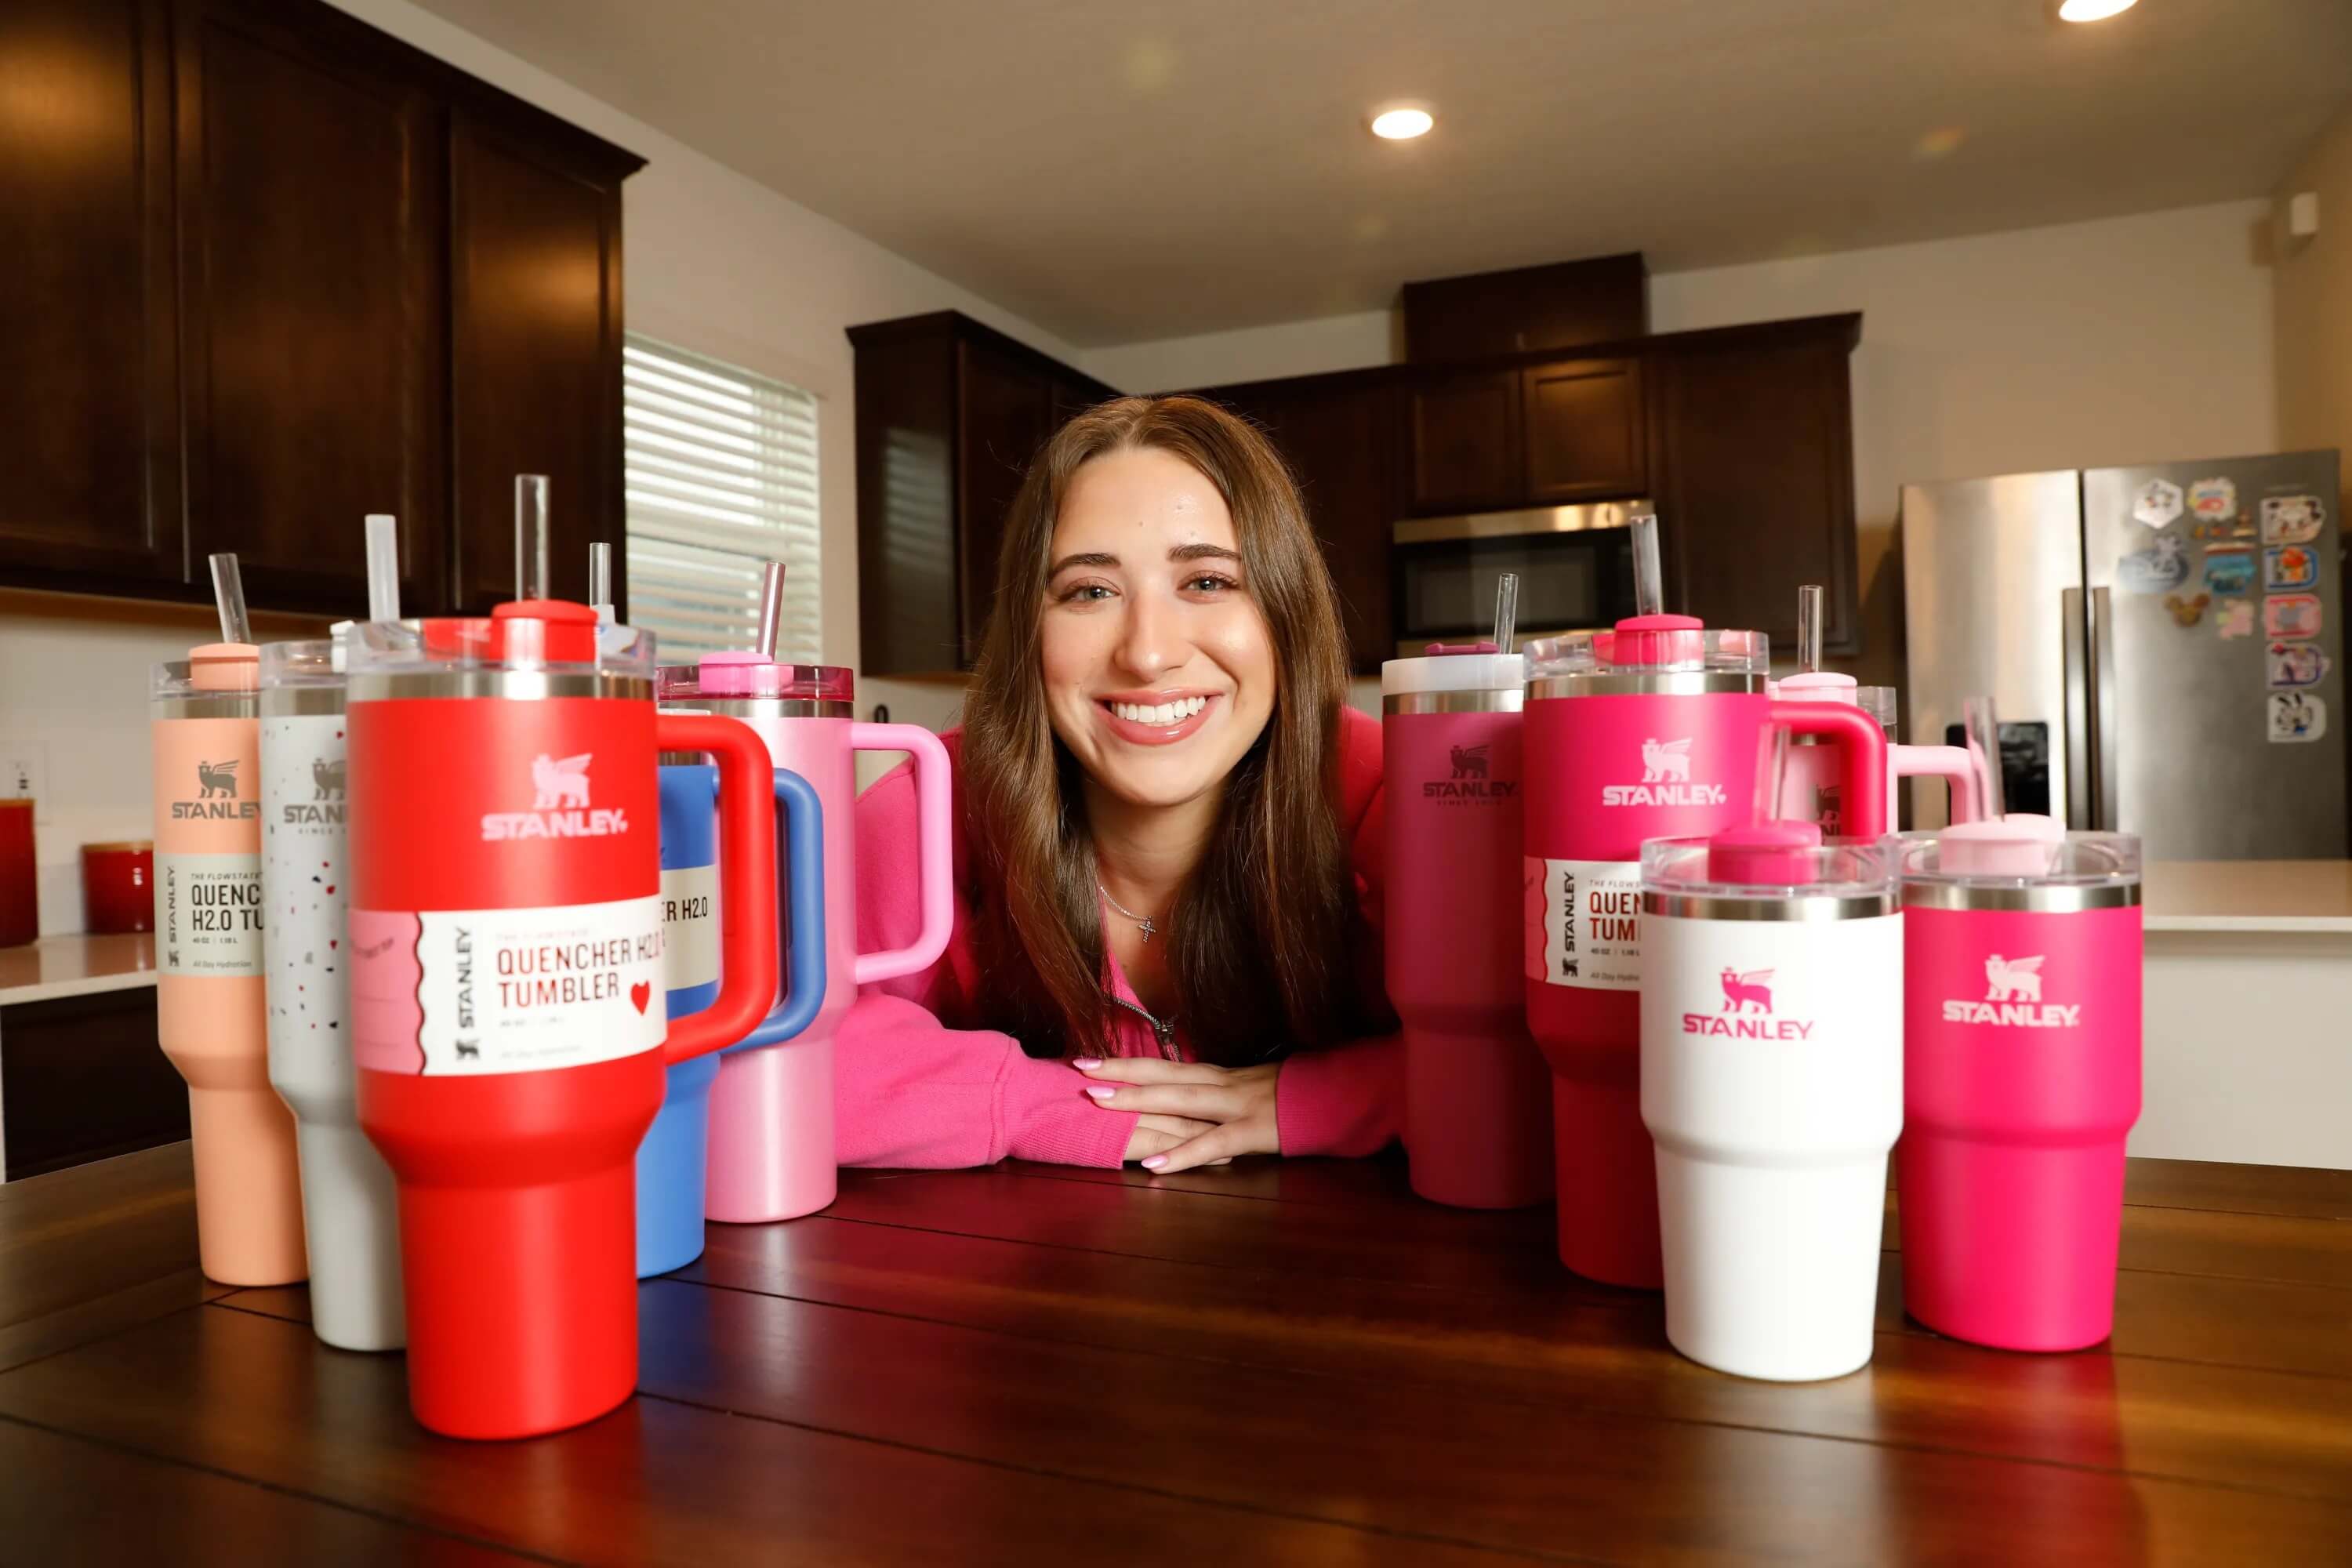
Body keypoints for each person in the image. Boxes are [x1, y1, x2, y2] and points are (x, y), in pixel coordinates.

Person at [838, 395, 1399, 1174]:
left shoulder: (1393, 792)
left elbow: (1558, 1042)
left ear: (1284, 612)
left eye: (1207, 581)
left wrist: (1324, 1097)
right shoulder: (929, 806)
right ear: (1029, 630)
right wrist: (1035, 1103)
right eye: (1090, 590)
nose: (1147, 653)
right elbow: (749, 1053)